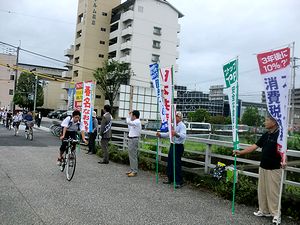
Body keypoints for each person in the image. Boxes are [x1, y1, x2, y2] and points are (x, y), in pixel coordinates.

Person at [233, 115, 286, 224]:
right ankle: (263, 210)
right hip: (263, 166)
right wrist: (241, 152)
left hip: (274, 168)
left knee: (273, 192)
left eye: (267, 120)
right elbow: (254, 146)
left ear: (274, 122)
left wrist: (285, 160)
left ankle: (276, 214)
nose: (265, 122)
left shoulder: (280, 135)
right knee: (262, 190)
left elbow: (284, 150)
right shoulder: (266, 134)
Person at [157, 111, 186, 188]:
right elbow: (168, 134)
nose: (176, 117)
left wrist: (176, 134)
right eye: (175, 116)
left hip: (178, 146)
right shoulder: (173, 125)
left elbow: (183, 136)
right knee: (170, 162)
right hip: (173, 144)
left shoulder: (182, 125)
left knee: (177, 164)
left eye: (177, 116)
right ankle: (170, 178)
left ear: (180, 118)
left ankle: (179, 181)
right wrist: (161, 135)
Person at [125, 110, 141, 177]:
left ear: (134, 116)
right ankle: (132, 170)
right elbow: (129, 127)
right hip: (131, 139)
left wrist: (128, 116)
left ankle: (134, 171)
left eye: (132, 115)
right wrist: (129, 116)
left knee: (133, 156)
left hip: (134, 139)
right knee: (131, 155)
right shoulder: (135, 122)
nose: (131, 116)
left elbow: (128, 122)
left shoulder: (137, 121)